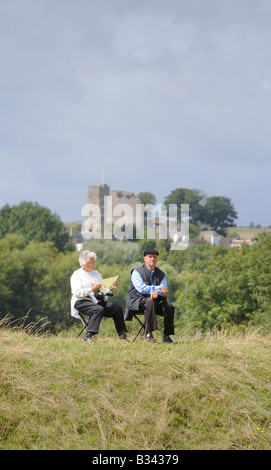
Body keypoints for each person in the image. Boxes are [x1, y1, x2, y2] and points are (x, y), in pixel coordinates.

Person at [70, 250, 128, 343]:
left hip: (97, 300)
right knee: (98, 309)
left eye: (94, 262)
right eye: (91, 263)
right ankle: (89, 336)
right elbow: (77, 292)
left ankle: (122, 335)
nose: (94, 265)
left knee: (117, 308)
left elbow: (102, 290)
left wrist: (110, 288)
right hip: (81, 301)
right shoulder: (77, 275)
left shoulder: (96, 274)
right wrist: (91, 289)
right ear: (83, 264)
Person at [126, 248, 175, 343]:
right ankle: (148, 333)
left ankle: (166, 336)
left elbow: (164, 289)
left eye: (154, 257)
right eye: (150, 257)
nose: (152, 259)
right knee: (149, 301)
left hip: (155, 303)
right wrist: (157, 289)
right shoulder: (136, 272)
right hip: (137, 301)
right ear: (144, 258)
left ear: (157, 259)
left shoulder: (161, 274)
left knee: (169, 306)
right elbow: (141, 288)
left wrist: (158, 292)